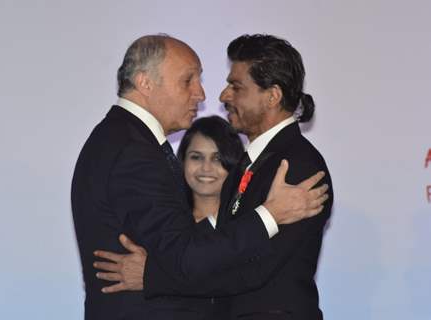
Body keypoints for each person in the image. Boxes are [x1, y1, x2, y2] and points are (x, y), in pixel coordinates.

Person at [72, 34, 328, 320]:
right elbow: (193, 254)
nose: (209, 95)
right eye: (188, 80)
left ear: (272, 96)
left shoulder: (297, 167)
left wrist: (152, 275)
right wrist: (269, 214)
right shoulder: (133, 150)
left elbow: (255, 268)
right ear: (145, 82)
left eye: (236, 86)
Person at [177, 116, 244, 224]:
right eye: (196, 157)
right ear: (183, 161)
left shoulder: (247, 223)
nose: (206, 168)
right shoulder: (164, 223)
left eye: (217, 158)